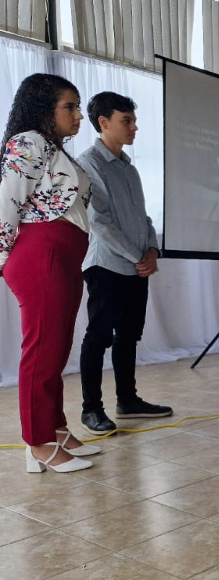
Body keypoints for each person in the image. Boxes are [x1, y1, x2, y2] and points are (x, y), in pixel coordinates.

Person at [0, 74, 100, 473]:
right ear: (44, 108)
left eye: (77, 107)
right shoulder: (28, 142)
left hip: (64, 255)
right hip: (41, 252)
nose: (78, 116)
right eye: (69, 107)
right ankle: (38, 443)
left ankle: (55, 428)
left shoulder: (54, 149)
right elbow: (6, 203)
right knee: (42, 349)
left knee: (56, 347)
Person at [77, 92, 172, 435]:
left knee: (128, 336)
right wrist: (138, 257)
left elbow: (142, 217)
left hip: (136, 266)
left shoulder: (129, 167)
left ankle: (127, 400)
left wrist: (152, 251)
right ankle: (91, 409)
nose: (134, 127)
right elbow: (99, 222)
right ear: (104, 122)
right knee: (98, 337)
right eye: (126, 121)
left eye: (133, 120)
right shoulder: (88, 163)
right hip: (105, 266)